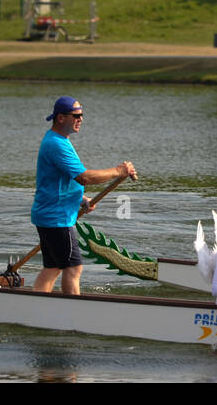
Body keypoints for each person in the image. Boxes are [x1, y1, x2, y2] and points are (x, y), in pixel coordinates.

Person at [31, 96, 138, 295]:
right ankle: (71, 315)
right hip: (57, 219)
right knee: (73, 267)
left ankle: (36, 305)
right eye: (76, 116)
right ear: (61, 118)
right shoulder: (57, 144)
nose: (81, 119)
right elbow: (84, 178)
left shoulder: (59, 140)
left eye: (82, 115)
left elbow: (56, 181)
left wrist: (80, 200)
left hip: (50, 214)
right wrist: (118, 171)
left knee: (53, 267)